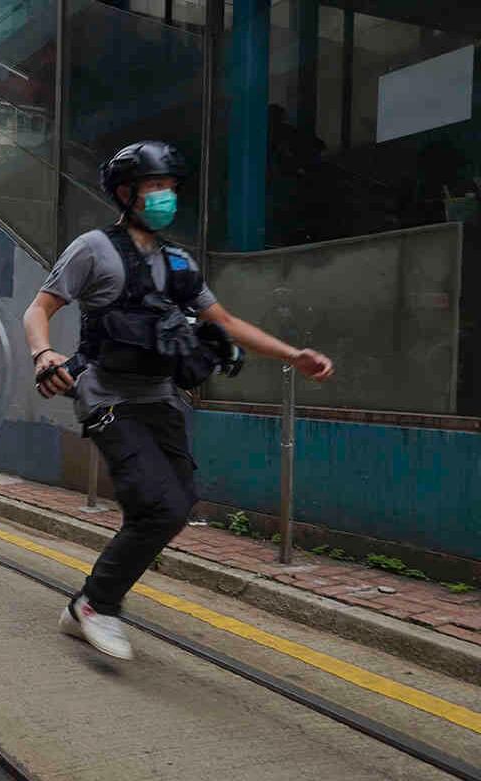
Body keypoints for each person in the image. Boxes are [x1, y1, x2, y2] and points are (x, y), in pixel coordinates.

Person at [22, 140, 335, 661]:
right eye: (155, 187)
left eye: (170, 186)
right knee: (157, 504)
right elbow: (38, 308)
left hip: (161, 397)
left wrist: (293, 355)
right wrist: (43, 355)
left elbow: (227, 323)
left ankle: (92, 602)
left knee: (175, 506)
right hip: (107, 395)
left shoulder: (178, 262)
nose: (166, 196)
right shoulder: (93, 249)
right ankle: (95, 606)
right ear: (126, 193)